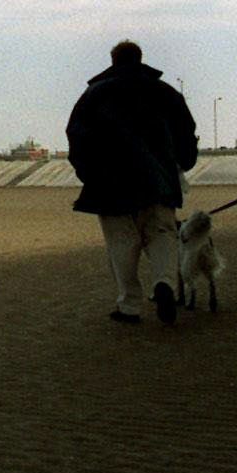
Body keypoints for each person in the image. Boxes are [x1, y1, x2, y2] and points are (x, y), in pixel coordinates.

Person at [67, 40, 198, 325]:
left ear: (113, 61)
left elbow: (77, 135)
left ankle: (129, 305)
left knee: (121, 245)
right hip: (159, 182)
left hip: (110, 184)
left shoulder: (93, 94)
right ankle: (164, 283)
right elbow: (185, 132)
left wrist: (88, 173)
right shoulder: (166, 92)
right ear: (140, 59)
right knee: (162, 236)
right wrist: (183, 162)